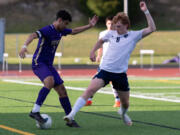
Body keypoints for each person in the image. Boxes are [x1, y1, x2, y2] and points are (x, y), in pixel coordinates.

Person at [64, 1, 156, 126]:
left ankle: (123, 114)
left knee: (125, 103)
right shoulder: (110, 34)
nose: (115, 28)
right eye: (115, 25)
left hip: (120, 75)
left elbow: (152, 28)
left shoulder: (134, 36)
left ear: (126, 25)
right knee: (89, 90)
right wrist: (92, 51)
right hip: (105, 71)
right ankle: (71, 115)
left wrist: (146, 11)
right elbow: (100, 41)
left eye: (118, 26)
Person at [19, 10, 98, 128]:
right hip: (38, 63)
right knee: (49, 81)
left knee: (62, 90)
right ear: (59, 20)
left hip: (49, 65)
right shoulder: (47, 30)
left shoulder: (60, 31)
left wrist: (90, 26)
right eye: (65, 23)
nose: (66, 26)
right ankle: (35, 111)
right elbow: (32, 35)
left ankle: (70, 119)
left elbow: (74, 31)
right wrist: (24, 47)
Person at [86, 16, 121, 107]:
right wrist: (98, 55)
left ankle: (89, 99)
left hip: (113, 62)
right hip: (104, 61)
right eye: (109, 23)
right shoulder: (102, 33)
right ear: (106, 24)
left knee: (99, 79)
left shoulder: (118, 33)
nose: (110, 25)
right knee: (99, 79)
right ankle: (117, 101)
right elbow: (100, 45)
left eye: (112, 23)